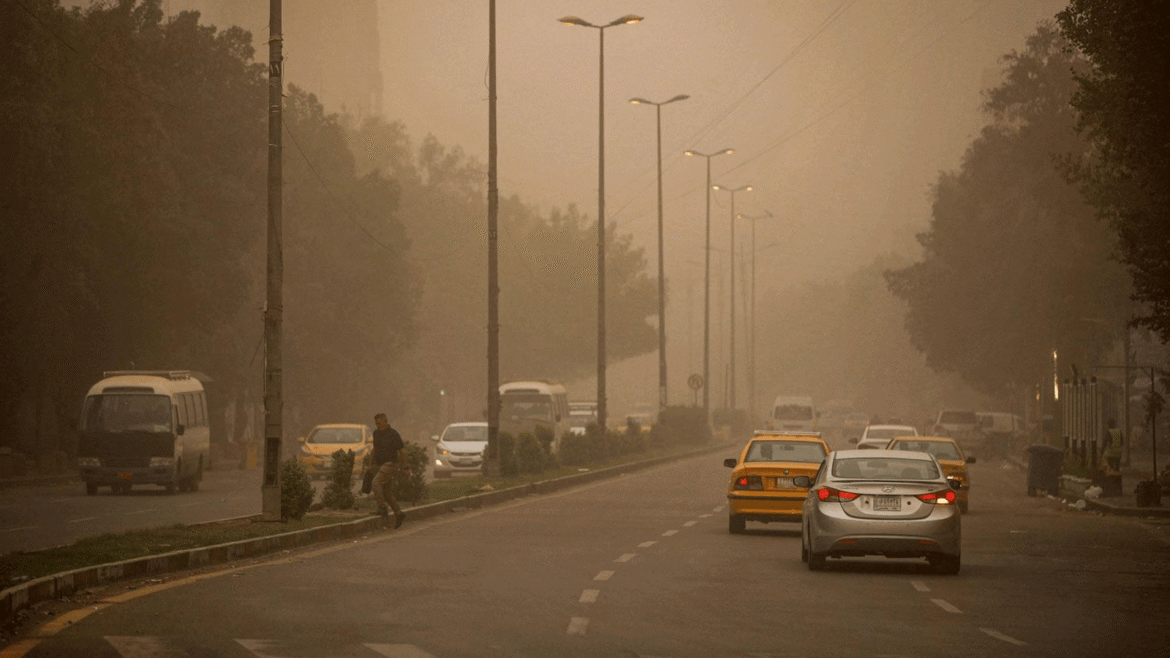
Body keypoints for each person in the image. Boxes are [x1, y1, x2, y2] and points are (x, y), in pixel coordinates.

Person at [369, 412, 407, 528]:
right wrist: (369, 464)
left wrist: (406, 467)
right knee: (386, 492)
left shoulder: (393, 434)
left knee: (376, 483)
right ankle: (399, 513)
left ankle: (382, 508)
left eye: (379, 423)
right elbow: (374, 449)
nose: (377, 425)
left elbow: (402, 451)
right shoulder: (376, 433)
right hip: (381, 465)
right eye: (376, 423)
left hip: (391, 464)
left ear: (385, 421)